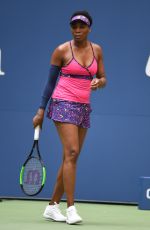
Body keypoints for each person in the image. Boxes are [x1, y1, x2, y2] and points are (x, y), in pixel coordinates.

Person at [33, 10, 106, 225]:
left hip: (84, 106)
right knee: (72, 152)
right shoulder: (61, 50)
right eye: (74, 26)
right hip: (63, 103)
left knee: (69, 158)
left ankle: (52, 207)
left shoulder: (97, 50)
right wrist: (40, 110)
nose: (77, 30)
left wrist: (99, 82)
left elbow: (103, 77)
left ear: (89, 28)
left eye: (82, 26)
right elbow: (49, 84)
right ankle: (71, 208)